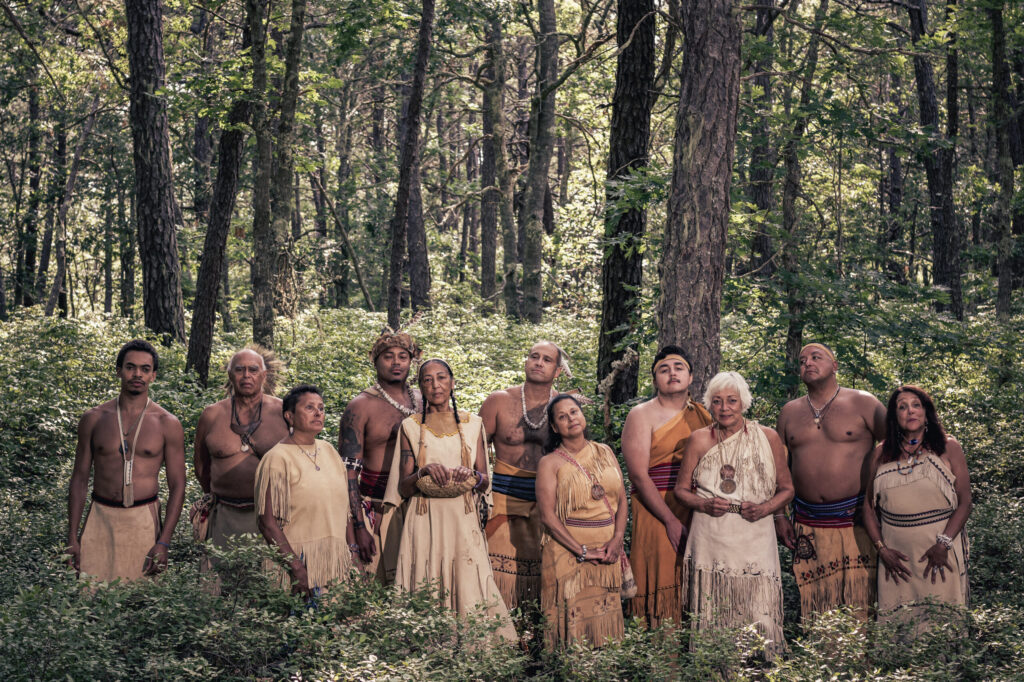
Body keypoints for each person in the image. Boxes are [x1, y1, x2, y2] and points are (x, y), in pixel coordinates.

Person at [384, 359, 516, 641]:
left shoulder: (473, 424)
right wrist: (424, 471)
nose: (435, 385)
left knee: (468, 579)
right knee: (426, 580)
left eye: (441, 378)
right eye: (427, 380)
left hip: (462, 518)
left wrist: (469, 474)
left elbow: (484, 480)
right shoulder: (409, 427)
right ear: (421, 388)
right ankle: (427, 649)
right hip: (424, 519)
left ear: (452, 382)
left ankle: (475, 647)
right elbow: (404, 489)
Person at [674, 372, 792, 658]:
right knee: (714, 607)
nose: (725, 408)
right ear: (709, 405)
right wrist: (703, 505)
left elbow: (787, 489)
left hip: (756, 531)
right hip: (711, 533)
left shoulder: (768, 437)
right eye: (717, 402)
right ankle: (715, 667)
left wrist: (766, 509)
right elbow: (680, 491)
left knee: (758, 608)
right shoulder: (699, 440)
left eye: (731, 401)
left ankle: (761, 667)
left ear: (744, 403)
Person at [776, 342, 886, 619]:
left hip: (856, 520)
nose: (808, 363)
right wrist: (779, 515)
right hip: (807, 521)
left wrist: (880, 500)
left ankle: (860, 661)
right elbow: (778, 468)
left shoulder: (863, 401)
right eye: (802, 361)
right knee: (815, 600)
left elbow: (894, 445)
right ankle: (820, 660)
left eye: (816, 357)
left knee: (860, 598)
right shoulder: (789, 412)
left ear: (835, 366)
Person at [66, 339, 186, 581]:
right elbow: (79, 479)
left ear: (153, 375)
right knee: (91, 602)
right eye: (130, 367)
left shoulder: (167, 423)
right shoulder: (94, 419)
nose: (137, 374)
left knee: (141, 605)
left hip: (144, 520)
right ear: (119, 370)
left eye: (145, 369)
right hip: (100, 518)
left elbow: (178, 486)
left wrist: (164, 542)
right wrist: (71, 538)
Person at [863, 386, 971, 630]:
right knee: (899, 624)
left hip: (939, 551)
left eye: (916, 405)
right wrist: (882, 550)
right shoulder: (881, 453)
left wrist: (943, 544)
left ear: (926, 412)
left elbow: (965, 502)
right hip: (896, 558)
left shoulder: (947, 447)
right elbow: (868, 508)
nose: (909, 410)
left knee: (942, 621)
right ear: (895, 416)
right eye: (902, 406)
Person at [621, 345, 712, 627]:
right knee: (661, 576)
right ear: (654, 379)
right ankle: (662, 661)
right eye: (664, 369)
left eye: (678, 368)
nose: (672, 373)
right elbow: (638, 476)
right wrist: (670, 521)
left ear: (691, 377)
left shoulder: (705, 415)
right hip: (656, 507)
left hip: (697, 506)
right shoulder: (641, 414)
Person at [479, 341, 568, 608]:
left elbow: (574, 454)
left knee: (544, 577)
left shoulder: (564, 406)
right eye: (534, 356)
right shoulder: (499, 401)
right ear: (526, 361)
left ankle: (536, 642)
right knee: (496, 575)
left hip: (548, 502)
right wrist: (480, 494)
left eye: (547, 359)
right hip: (503, 499)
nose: (539, 362)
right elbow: (472, 449)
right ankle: (497, 637)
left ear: (558, 371)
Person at [536, 394, 628, 649]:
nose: (570, 419)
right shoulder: (549, 463)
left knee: (604, 621)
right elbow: (547, 517)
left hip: (607, 551)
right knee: (571, 624)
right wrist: (583, 551)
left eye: (574, 412)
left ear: (583, 415)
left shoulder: (605, 451)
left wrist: (618, 539)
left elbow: (621, 499)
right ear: (555, 428)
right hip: (568, 554)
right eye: (562, 417)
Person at [338, 328, 421, 584]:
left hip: (418, 505)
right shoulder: (361, 406)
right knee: (376, 584)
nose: (396, 362)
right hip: (376, 508)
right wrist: (359, 526)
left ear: (412, 361)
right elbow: (348, 472)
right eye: (388, 356)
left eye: (402, 356)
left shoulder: (422, 399)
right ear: (376, 361)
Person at [193, 346, 288, 567]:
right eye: (239, 370)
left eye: (253, 370)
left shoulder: (283, 412)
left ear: (264, 375)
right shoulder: (212, 415)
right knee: (223, 584)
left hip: (274, 516)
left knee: (271, 584)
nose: (246, 376)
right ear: (230, 374)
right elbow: (201, 466)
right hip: (224, 515)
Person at [255, 384, 355, 594]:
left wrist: (352, 553)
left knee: (335, 624)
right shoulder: (276, 458)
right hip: (297, 562)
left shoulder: (328, 450)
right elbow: (267, 522)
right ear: (289, 416)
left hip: (334, 561)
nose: (318, 412)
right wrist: (297, 569)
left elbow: (345, 511)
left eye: (321, 407)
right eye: (309, 408)